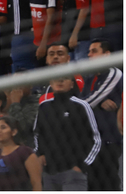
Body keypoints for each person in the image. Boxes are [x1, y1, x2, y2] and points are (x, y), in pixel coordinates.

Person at [33, 45, 102, 191]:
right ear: (51, 82)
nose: (60, 81)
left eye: (65, 78)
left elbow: (95, 139)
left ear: (72, 84)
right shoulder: (44, 106)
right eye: (56, 79)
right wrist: (39, 154)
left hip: (73, 172)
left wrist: (81, 166)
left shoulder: (81, 106)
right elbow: (37, 134)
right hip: (49, 172)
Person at [81, 40, 123, 191]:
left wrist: (95, 102)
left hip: (109, 140)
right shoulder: (90, 78)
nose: (89, 54)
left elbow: (83, 104)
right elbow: (84, 102)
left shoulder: (115, 73)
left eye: (94, 51)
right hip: (91, 141)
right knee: (92, 184)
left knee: (109, 184)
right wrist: (98, 102)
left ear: (107, 55)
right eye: (89, 51)